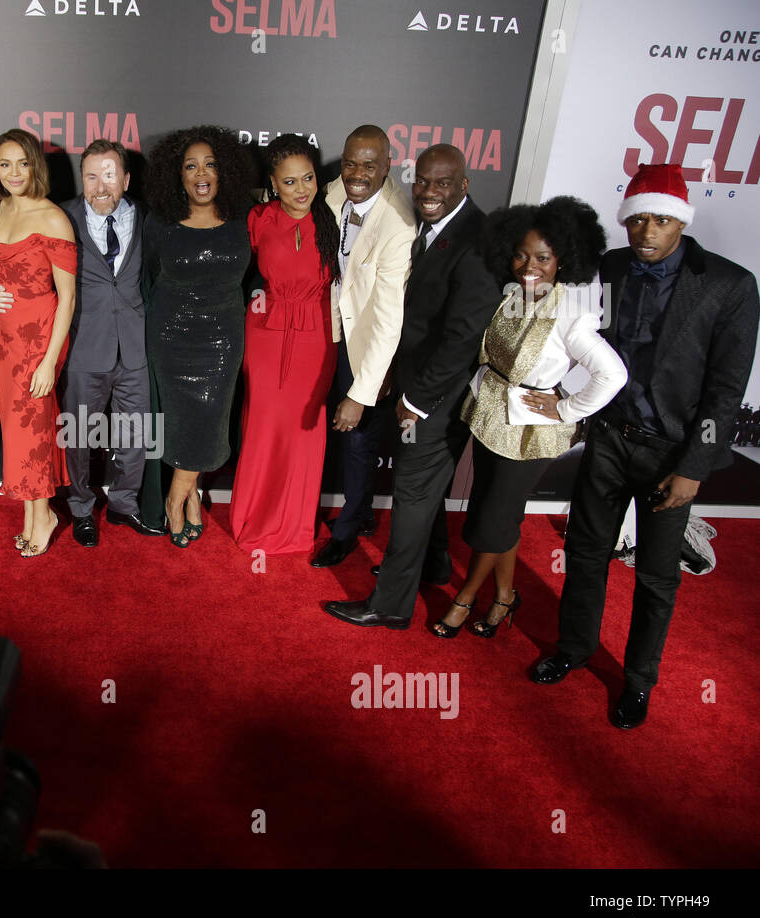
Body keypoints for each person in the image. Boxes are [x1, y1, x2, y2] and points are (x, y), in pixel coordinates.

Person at [532, 163, 759, 729]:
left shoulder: (730, 285)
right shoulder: (608, 268)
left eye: (660, 220)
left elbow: (727, 391)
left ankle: (638, 683)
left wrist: (695, 469)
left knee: (657, 577)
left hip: (672, 455)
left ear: (680, 220)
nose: (647, 232)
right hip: (609, 440)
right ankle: (574, 649)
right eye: (637, 220)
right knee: (586, 555)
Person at [430, 197, 626, 638]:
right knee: (498, 516)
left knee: (490, 523)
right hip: (489, 418)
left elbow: (612, 374)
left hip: (530, 436)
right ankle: (504, 597)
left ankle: (465, 598)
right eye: (521, 254)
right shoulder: (509, 295)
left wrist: (566, 408)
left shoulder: (571, 316)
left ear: (564, 259)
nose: (528, 266)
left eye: (542, 257)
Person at [324, 144, 500, 629]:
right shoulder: (427, 223)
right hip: (412, 383)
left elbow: (463, 338)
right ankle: (435, 564)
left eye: (442, 183)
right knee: (426, 491)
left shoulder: (477, 242)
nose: (429, 192)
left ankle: (390, 604)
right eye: (422, 181)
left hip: (434, 399)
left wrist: (415, 401)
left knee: (412, 493)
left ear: (464, 185)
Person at [0, 139, 164, 548]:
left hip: (135, 345)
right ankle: (81, 509)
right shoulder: (61, 215)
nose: (101, 186)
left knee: (135, 433)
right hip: (82, 344)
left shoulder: (149, 219)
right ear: (80, 179)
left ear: (127, 179)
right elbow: (19, 269)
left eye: (110, 175)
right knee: (79, 435)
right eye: (91, 176)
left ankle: (123, 504)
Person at [141, 125, 253, 548]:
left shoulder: (243, 219)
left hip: (223, 340)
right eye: (191, 166)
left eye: (209, 164)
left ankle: (178, 498)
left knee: (208, 423)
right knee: (183, 424)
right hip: (172, 338)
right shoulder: (160, 223)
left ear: (223, 172)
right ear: (178, 175)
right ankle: (184, 503)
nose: (201, 173)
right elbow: (150, 277)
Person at [311, 125, 416, 568]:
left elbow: (390, 319)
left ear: (388, 166)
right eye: (350, 162)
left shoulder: (399, 225)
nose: (356, 174)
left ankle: (349, 529)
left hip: (367, 347)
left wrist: (361, 391)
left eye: (369, 166)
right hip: (324, 335)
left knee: (356, 444)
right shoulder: (334, 190)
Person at [229, 134, 339, 555]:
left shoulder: (333, 217)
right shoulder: (258, 219)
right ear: (273, 183)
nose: (301, 190)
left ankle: (294, 527)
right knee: (263, 428)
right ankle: (255, 521)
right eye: (289, 182)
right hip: (266, 333)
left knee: (303, 433)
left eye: (307, 178)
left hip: (316, 337)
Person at [0, 129, 77, 558]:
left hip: (38, 341)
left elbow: (68, 297)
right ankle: (34, 515)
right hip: (3, 339)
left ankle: (44, 516)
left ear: (36, 164)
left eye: (22, 163)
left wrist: (48, 361)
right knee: (18, 435)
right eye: (5, 164)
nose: (14, 172)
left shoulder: (53, 217)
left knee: (35, 432)